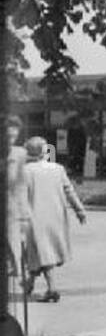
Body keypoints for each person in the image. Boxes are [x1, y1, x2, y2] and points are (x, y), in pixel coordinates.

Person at [22, 136, 86, 303]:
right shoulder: (58, 168)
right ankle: (30, 283)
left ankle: (51, 289)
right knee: (41, 251)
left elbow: (19, 196)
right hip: (55, 216)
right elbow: (69, 190)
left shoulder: (25, 171)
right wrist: (80, 210)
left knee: (42, 251)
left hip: (34, 217)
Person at [6, 116, 29, 281]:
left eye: (14, 136)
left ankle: (17, 266)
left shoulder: (20, 153)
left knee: (12, 235)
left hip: (12, 202)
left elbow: (23, 182)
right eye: (8, 136)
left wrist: (24, 208)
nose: (11, 140)